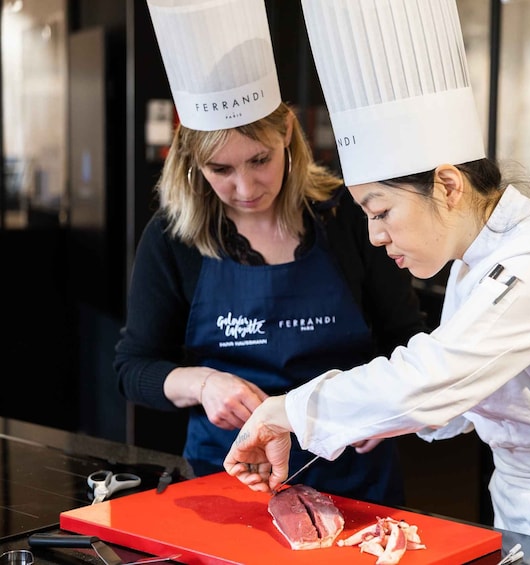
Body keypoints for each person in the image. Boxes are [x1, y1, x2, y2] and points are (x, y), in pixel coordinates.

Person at [224, 0, 530, 563]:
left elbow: (438, 375)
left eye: (380, 211)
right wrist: (381, 421)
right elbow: (465, 393)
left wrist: (289, 409)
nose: (376, 237)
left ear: (449, 186)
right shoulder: (473, 261)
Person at [115, 0, 426, 506]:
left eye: (259, 160)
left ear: (286, 133)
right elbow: (133, 368)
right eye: (221, 170)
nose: (244, 187)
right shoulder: (173, 237)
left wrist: (390, 408)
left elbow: (407, 340)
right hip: (230, 480)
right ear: (192, 160)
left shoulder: (350, 218)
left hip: (354, 479)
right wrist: (203, 383)